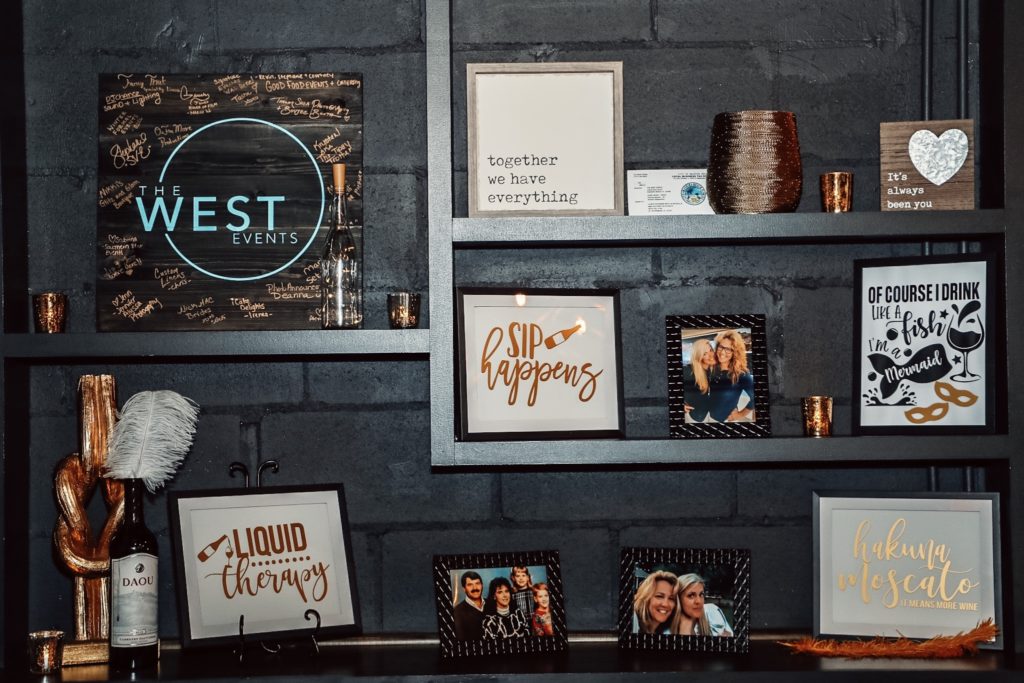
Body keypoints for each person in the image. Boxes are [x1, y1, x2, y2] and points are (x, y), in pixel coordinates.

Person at [705, 329, 756, 423]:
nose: (722, 353)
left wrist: (740, 414)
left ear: (735, 352)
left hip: (726, 420)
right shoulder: (713, 367)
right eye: (721, 347)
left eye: (728, 349)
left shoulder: (742, 374)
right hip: (708, 416)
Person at [671, 573, 734, 637]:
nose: (699, 601)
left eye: (701, 594)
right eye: (691, 595)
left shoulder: (712, 612)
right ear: (678, 599)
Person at [631, 570, 678, 635]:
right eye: (659, 596)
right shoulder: (632, 622)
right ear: (646, 597)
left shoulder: (668, 631)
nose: (665, 604)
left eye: (671, 598)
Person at [683, 338, 717, 423]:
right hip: (695, 416)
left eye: (710, 350)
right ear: (699, 356)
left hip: (708, 413)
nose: (711, 355)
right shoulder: (687, 371)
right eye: (705, 354)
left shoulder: (712, 369)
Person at [453, 570, 485, 640]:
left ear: (482, 585)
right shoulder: (457, 612)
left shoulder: (492, 603)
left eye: (477, 583)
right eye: (470, 585)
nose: (475, 588)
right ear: (464, 589)